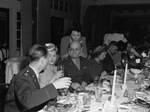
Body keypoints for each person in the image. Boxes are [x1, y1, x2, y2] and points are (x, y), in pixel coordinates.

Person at [4, 45, 71, 112]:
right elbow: (27, 101)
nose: (48, 61)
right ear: (42, 61)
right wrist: (54, 85)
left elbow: (36, 96)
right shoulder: (23, 77)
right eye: (47, 59)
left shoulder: (32, 73)